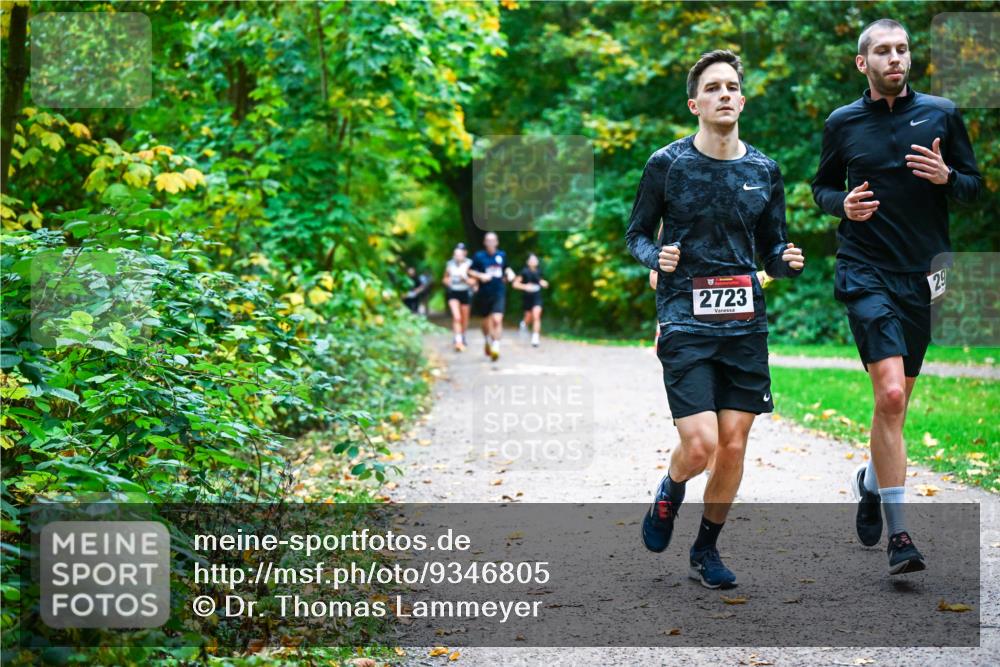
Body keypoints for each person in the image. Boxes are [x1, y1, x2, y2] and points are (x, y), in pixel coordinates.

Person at [625, 49, 805, 589]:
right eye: (713, 87)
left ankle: (706, 550)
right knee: (700, 443)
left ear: (742, 100)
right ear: (694, 103)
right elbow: (636, 234)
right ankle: (671, 488)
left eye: (732, 87)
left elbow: (771, 246)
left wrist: (784, 262)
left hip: (745, 322)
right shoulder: (667, 164)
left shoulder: (764, 170)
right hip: (683, 316)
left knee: (733, 443)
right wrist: (656, 258)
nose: (724, 94)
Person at [812, 19, 981, 575]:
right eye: (883, 51)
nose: (895, 59)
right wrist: (843, 206)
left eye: (902, 50)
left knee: (898, 402)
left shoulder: (943, 114)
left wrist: (946, 176)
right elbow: (822, 188)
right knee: (888, 395)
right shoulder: (842, 123)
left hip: (923, 274)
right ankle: (901, 536)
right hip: (864, 269)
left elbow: (975, 190)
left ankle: (869, 479)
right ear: (863, 63)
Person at [469, 232, 515, 361]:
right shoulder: (479, 256)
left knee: (497, 319)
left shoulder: (502, 255)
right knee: (485, 322)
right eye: (488, 241)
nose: (490, 243)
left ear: (497, 242)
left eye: (493, 240)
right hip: (484, 293)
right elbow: (470, 271)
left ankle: (496, 346)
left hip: (499, 291)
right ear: (484, 242)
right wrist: (480, 276)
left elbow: (507, 269)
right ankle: (487, 340)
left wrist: (510, 274)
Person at [513, 253, 549, 347]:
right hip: (527, 297)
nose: (533, 262)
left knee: (536, 315)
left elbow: (540, 280)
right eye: (531, 260)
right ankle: (523, 324)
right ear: (528, 262)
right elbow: (515, 284)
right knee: (529, 317)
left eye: (535, 260)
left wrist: (543, 283)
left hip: (537, 296)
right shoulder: (524, 272)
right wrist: (525, 286)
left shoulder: (539, 271)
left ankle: (535, 338)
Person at [443, 243, 474, 351]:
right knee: (457, 317)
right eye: (456, 254)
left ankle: (463, 335)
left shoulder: (470, 264)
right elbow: (445, 279)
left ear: (464, 254)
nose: (457, 256)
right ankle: (458, 339)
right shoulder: (450, 264)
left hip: (465, 292)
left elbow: (474, 282)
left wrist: (465, 279)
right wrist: (448, 282)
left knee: (464, 318)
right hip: (453, 293)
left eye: (460, 254)